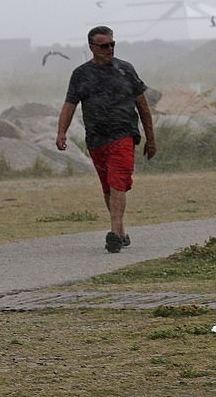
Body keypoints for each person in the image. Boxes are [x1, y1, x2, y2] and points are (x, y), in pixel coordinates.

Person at [56, 26, 156, 253]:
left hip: (123, 135)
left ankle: (113, 232)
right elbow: (69, 105)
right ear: (92, 48)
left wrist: (151, 139)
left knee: (117, 181)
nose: (109, 49)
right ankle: (120, 233)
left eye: (112, 44)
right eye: (104, 46)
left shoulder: (126, 70)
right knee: (107, 187)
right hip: (95, 138)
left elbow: (144, 107)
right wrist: (61, 132)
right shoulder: (81, 74)